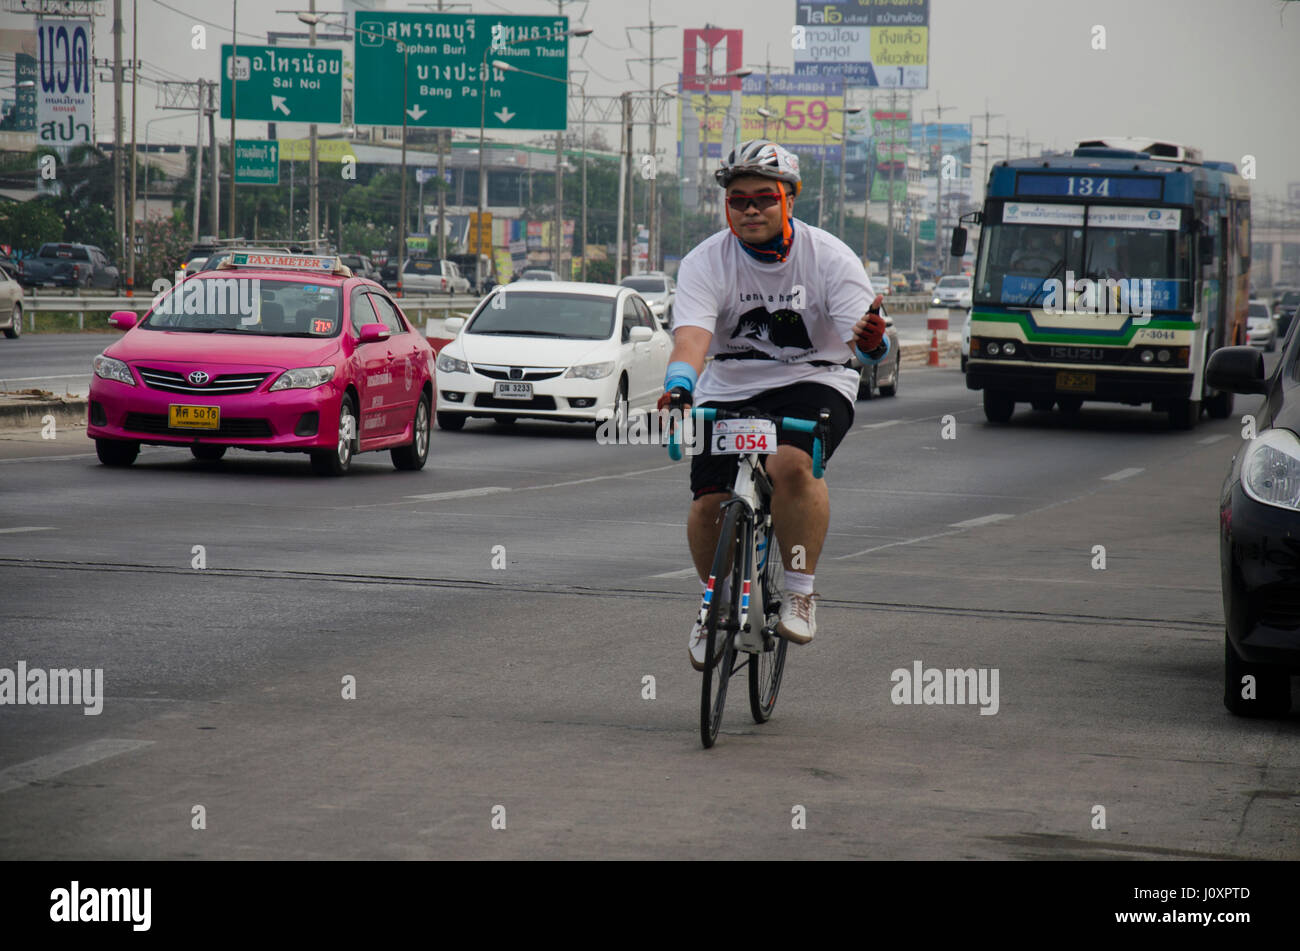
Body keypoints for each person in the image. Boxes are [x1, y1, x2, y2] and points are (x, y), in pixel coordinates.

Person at [658, 139, 891, 670]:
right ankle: (714, 606)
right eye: (737, 200)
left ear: (790, 199)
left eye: (763, 198)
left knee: (791, 463)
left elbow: (866, 344)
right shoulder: (705, 262)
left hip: (816, 377)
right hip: (731, 384)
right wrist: (679, 386)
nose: (750, 210)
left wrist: (874, 341)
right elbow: (692, 339)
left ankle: (801, 590)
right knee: (707, 504)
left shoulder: (829, 257)